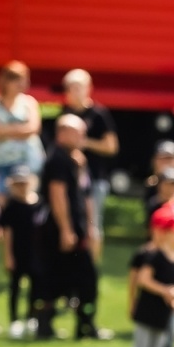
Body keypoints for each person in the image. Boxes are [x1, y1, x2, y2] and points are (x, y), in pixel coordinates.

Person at [30, 113, 98, 340]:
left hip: (73, 227)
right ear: (63, 133)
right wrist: (66, 229)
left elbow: (82, 195)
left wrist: (87, 226)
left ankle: (84, 325)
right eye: (78, 132)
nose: (83, 137)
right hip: (59, 230)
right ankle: (47, 325)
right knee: (58, 277)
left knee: (82, 277)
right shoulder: (57, 159)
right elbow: (57, 195)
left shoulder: (74, 160)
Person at [120, 201, 174, 347]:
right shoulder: (154, 256)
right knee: (142, 346)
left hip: (164, 312)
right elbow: (142, 279)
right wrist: (165, 291)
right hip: (147, 308)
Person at [58, 69, 117, 242]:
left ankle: (92, 267)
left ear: (88, 89)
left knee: (93, 225)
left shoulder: (98, 114)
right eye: (71, 88)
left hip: (95, 178)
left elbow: (111, 147)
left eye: (78, 87)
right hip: (69, 178)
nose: (74, 92)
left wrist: (85, 143)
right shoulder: (65, 113)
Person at [0, 61, 43, 176]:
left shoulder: (29, 102)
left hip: (26, 161)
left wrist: (1, 131)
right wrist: (19, 130)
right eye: (17, 80)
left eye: (24, 80)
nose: (22, 84)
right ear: (5, 81)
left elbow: (33, 129)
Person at [0, 165, 36, 336]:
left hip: (35, 253)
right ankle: (14, 320)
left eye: (24, 183)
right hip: (17, 252)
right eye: (18, 184)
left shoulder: (38, 203)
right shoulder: (11, 206)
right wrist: (8, 256)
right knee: (15, 286)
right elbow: (7, 233)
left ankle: (31, 317)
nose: (22, 187)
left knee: (35, 287)